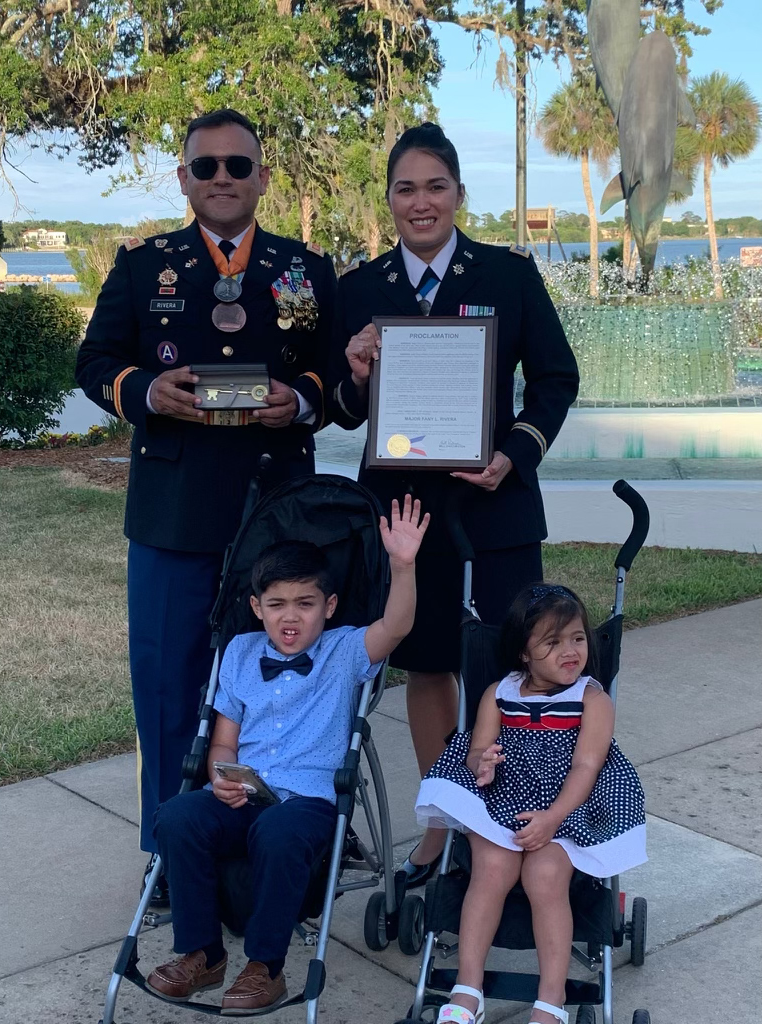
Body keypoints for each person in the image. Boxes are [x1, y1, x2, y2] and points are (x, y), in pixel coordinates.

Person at [75, 108, 337, 901]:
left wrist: (302, 402)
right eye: (205, 167)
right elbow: (96, 363)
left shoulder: (301, 270)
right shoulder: (142, 265)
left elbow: (333, 376)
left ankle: (279, 844)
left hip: (277, 512)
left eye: (236, 165)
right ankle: (169, 857)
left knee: (289, 685)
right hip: (173, 513)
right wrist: (145, 391)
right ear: (184, 179)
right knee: (167, 685)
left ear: (262, 176)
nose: (221, 178)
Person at [326, 122, 579, 886]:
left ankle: (512, 824)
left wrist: (517, 452)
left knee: (513, 672)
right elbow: (341, 410)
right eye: (406, 188)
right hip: (405, 517)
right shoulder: (359, 289)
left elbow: (556, 379)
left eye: (436, 186)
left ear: (459, 195)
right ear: (392, 200)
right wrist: (357, 372)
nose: (421, 201)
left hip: (495, 510)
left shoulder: (507, 276)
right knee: (426, 665)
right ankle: (440, 831)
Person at [145, 495, 429, 1012]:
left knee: (278, 831)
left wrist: (402, 565)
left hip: (307, 798)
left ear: (330, 605)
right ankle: (203, 953)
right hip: (242, 791)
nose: (290, 617)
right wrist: (221, 775)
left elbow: (398, 627)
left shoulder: (345, 648)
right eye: (276, 605)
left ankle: (264, 965)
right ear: (256, 608)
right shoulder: (239, 652)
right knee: (177, 816)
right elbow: (224, 738)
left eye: (305, 604)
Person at [414, 584, 647, 1024]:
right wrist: (482, 763)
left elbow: (587, 766)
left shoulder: (591, 700)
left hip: (570, 808)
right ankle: (468, 989)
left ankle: (550, 1001)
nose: (570, 651)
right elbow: (475, 749)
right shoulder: (499, 694)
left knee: (544, 876)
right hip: (504, 799)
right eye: (552, 642)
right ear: (524, 652)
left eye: (578, 638)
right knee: (493, 868)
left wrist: (553, 817)